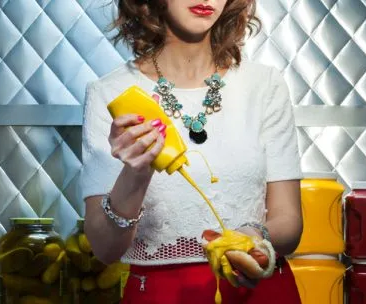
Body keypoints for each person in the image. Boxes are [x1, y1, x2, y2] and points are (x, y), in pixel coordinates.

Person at [80, 0, 303, 303]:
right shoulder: (110, 93)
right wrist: (136, 173)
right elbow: (105, 249)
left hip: (257, 290)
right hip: (162, 295)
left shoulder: (264, 85)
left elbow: (289, 222)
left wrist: (252, 235)